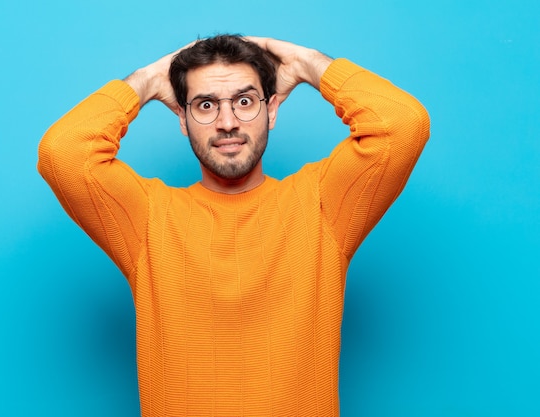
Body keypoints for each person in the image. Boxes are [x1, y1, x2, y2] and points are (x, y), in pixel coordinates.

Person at [38, 34, 430, 417]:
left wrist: (307, 62)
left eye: (245, 101)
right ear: (182, 119)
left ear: (271, 110)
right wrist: (148, 79)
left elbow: (401, 125)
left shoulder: (323, 205)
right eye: (206, 105)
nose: (227, 122)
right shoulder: (147, 218)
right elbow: (64, 153)